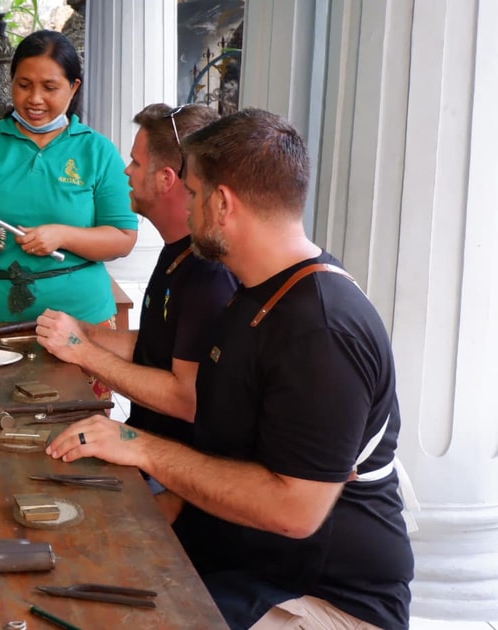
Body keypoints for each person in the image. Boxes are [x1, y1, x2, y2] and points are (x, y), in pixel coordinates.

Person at [46, 109, 413, 629]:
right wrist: (166, 507)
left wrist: (140, 447)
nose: (188, 209)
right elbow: (232, 442)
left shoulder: (322, 329)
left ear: (222, 204)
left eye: (193, 196)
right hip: (247, 565)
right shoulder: (254, 292)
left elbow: (294, 511)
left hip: (323, 598)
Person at [36, 103, 235, 450]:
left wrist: (82, 351)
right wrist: (85, 332)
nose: (127, 171)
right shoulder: (177, 250)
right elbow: (158, 346)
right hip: (145, 442)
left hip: (175, 469)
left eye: (137, 163)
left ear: (166, 178)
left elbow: (187, 400)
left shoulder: (209, 274)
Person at [0, 30, 138, 329]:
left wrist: (63, 236)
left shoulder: (97, 150)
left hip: (82, 319)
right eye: (23, 85)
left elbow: (123, 238)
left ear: (74, 86)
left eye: (50, 87)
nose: (34, 99)